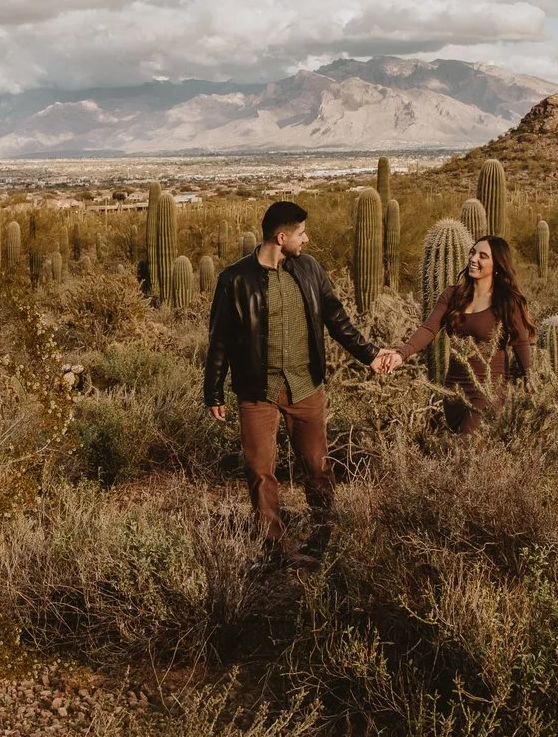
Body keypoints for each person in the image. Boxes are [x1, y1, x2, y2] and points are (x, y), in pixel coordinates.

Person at [205, 199, 402, 559]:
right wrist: (213, 390)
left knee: (317, 466)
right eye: (301, 233)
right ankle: (274, 549)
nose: (306, 239)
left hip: (305, 385)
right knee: (260, 472)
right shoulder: (234, 279)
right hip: (257, 390)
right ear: (281, 237)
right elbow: (219, 339)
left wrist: (371, 355)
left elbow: (337, 319)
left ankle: (325, 538)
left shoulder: (309, 269)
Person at [392, 234, 534, 436]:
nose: (474, 259)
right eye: (473, 252)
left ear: (497, 265)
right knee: (458, 454)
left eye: (483, 256)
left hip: (488, 392)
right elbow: (429, 329)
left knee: (469, 448)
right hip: (454, 391)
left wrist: (529, 376)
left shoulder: (507, 301)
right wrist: (401, 354)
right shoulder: (452, 295)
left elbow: (521, 342)